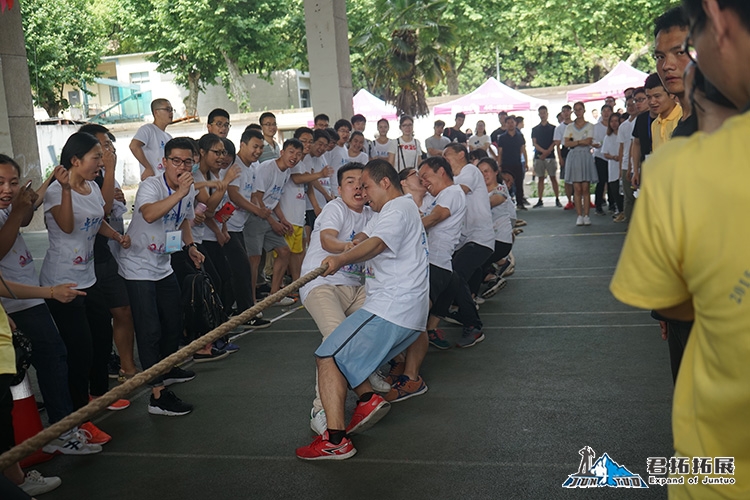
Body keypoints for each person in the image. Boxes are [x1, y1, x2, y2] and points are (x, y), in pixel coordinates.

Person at [612, 2, 750, 497]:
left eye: (682, 51)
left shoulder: (696, 151)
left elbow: (673, 292)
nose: (670, 64)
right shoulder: (667, 131)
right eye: (662, 54)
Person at [295, 159, 429, 461]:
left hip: (391, 309)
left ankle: (336, 439)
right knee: (340, 348)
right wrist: (355, 242)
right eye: (355, 186)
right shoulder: (397, 209)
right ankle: (366, 395)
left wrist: (341, 259)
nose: (363, 192)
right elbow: (367, 236)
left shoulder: (396, 209)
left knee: (328, 355)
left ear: (384, 183)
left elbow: (378, 243)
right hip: (406, 314)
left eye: (366, 185)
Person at [0, 154, 103, 455]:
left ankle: (58, 430)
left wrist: (43, 186)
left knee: (53, 356)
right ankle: (54, 433)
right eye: (0, 183)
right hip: (16, 302)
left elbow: (27, 214)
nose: (7, 189)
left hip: (28, 297)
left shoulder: (8, 208)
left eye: (13, 182)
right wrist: (49, 292)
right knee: (42, 362)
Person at [40, 133, 130, 439]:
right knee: (78, 350)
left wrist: (116, 236)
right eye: (96, 157)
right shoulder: (55, 191)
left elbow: (97, 218)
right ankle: (78, 419)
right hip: (61, 282)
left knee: (101, 339)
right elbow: (67, 225)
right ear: (75, 161)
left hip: (89, 277)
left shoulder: (92, 186)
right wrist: (65, 190)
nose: (101, 162)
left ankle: (98, 396)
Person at [118, 136, 202, 416]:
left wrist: (190, 247)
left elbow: (184, 219)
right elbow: (150, 214)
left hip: (163, 264)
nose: (181, 166)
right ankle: (157, 395)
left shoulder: (188, 190)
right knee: (149, 328)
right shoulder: (151, 185)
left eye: (187, 161)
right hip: (138, 266)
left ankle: (166, 368)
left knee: (173, 321)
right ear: (163, 162)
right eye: (175, 161)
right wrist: (178, 192)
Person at [299, 162, 377, 433]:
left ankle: (367, 370)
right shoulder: (335, 208)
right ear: (339, 188)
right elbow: (327, 241)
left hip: (357, 287)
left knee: (384, 320)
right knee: (335, 336)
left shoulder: (373, 214)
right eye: (350, 182)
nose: (357, 187)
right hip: (322, 283)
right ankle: (321, 409)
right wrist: (349, 247)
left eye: (362, 183)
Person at [439, 144, 493, 347]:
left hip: (480, 239)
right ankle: (461, 310)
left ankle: (473, 325)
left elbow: (459, 192)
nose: (445, 159)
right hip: (467, 240)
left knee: (455, 274)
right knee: (452, 274)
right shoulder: (454, 179)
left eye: (447, 155)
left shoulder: (470, 170)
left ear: (462, 154)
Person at [247, 139, 304, 306]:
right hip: (255, 217)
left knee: (284, 251)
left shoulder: (286, 172)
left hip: (269, 216)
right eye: (291, 152)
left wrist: (283, 219)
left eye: (299, 154)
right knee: (254, 260)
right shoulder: (267, 168)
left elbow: (274, 198)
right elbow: (256, 198)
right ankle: (250, 302)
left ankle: (274, 295)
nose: (294, 157)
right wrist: (273, 222)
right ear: (282, 152)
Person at [224, 128, 271, 328]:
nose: (258, 151)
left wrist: (262, 209)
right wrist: (256, 210)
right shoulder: (235, 166)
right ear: (242, 145)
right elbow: (234, 195)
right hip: (226, 225)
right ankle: (244, 312)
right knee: (240, 269)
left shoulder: (253, 168)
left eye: (261, 147)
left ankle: (236, 310)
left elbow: (251, 195)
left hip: (238, 225)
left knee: (236, 271)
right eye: (254, 146)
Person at [474, 157, 513, 300]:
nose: (484, 175)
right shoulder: (476, 192)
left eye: (487, 171)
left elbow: (492, 202)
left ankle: (473, 295)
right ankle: (491, 277)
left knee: (473, 262)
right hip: (485, 239)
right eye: (480, 172)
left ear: (496, 172)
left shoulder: (501, 190)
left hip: (500, 241)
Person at [654, 7, 694, 136]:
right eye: (660, 57)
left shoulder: (727, 125)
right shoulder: (679, 130)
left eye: (680, 52)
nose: (666, 66)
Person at [563, 102, 597, 226]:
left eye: (580, 109)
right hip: (574, 156)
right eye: (576, 110)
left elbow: (589, 141)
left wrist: (575, 141)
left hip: (585, 156)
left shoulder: (590, 126)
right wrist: (579, 142)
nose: (578, 112)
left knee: (585, 187)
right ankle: (579, 215)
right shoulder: (569, 127)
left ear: (584, 110)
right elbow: (567, 143)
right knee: (576, 188)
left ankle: (587, 215)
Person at [129, 98, 173, 181]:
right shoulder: (147, 129)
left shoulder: (168, 137)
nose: (171, 113)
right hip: (152, 182)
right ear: (156, 112)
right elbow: (134, 146)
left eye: (171, 110)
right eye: (167, 109)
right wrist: (148, 167)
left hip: (166, 182)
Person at [615, 89, 641, 223]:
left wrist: (633, 166)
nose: (631, 107)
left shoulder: (641, 120)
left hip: (638, 163)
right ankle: (629, 222)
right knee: (628, 196)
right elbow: (621, 148)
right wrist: (621, 167)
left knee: (640, 196)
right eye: (628, 105)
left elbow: (635, 145)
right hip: (626, 164)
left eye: (633, 104)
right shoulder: (623, 125)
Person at [495, 116, 528, 210]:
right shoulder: (502, 137)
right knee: (507, 184)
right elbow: (500, 152)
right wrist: (499, 165)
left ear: (515, 123)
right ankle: (506, 203)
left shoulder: (519, 136)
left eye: (512, 122)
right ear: (505, 124)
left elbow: (523, 149)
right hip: (506, 163)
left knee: (519, 183)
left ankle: (520, 203)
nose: (510, 124)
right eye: (508, 122)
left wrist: (525, 162)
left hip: (517, 162)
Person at [531, 105, 561, 207]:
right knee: (540, 178)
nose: (543, 115)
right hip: (539, 156)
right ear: (539, 114)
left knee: (553, 177)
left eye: (544, 113)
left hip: (550, 156)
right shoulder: (535, 129)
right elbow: (534, 143)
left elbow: (555, 141)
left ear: (547, 114)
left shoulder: (553, 128)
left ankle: (557, 198)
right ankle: (540, 199)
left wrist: (547, 151)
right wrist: (543, 152)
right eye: (541, 113)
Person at [647, 77, 682, 152]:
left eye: (657, 96)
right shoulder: (655, 124)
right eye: (649, 97)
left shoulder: (684, 116)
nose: (652, 102)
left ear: (671, 94)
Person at [592, 104, 613, 215]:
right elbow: (593, 141)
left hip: (613, 157)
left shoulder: (614, 126)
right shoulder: (596, 127)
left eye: (608, 111)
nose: (606, 113)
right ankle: (598, 205)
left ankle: (612, 204)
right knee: (601, 181)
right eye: (604, 111)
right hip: (600, 156)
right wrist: (596, 144)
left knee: (612, 182)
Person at [601, 112, 623, 217]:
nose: (614, 124)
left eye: (616, 121)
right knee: (615, 190)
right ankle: (619, 210)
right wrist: (614, 157)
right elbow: (605, 153)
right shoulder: (608, 137)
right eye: (612, 121)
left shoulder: (623, 134)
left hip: (624, 165)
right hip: (613, 166)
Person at [554, 105, 575, 209]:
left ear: (571, 112)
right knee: (567, 179)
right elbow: (557, 144)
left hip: (576, 150)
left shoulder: (576, 124)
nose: (566, 113)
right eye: (564, 111)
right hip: (565, 151)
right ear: (561, 113)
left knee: (578, 177)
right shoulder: (559, 128)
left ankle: (577, 198)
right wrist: (560, 158)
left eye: (568, 111)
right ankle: (569, 200)